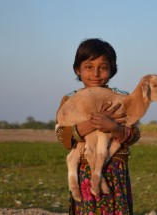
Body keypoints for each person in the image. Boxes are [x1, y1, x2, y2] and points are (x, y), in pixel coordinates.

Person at [56, 38, 140, 215]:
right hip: (84, 170)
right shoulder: (70, 101)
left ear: (112, 70)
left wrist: (113, 127)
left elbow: (134, 134)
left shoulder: (121, 99)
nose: (96, 73)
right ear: (77, 69)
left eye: (103, 67)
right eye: (88, 67)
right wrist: (92, 123)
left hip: (114, 171)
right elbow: (63, 137)